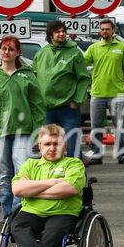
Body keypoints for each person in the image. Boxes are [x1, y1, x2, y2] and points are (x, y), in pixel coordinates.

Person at [0, 35, 45, 220]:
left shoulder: (28, 75)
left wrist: (38, 130)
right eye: (3, 49)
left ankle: (20, 214)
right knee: (3, 176)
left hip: (23, 131)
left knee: (21, 172)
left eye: (10, 49)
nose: (6, 52)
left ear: (18, 52)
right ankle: (8, 215)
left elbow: (37, 106)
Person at [11, 124, 86, 247]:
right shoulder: (30, 164)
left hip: (62, 212)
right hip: (32, 211)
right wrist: (53, 182)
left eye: (56, 144)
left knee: (53, 232)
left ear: (64, 145)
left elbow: (69, 188)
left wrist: (33, 190)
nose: (52, 148)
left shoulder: (74, 164)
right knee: (17, 226)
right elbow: (17, 189)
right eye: (47, 144)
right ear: (40, 146)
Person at [32, 21, 90, 158]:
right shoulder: (41, 54)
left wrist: (76, 100)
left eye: (63, 31)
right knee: (48, 144)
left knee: (72, 143)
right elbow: (34, 78)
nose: (62, 34)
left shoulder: (74, 53)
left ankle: (78, 177)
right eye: (58, 31)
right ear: (50, 34)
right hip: (47, 109)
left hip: (68, 108)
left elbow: (84, 78)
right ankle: (52, 176)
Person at [84, 18, 124, 165]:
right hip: (97, 93)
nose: (105, 31)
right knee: (96, 127)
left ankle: (123, 155)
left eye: (107, 29)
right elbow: (81, 64)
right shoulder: (93, 48)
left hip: (117, 94)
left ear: (113, 31)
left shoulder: (122, 48)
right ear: (100, 31)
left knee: (120, 126)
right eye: (102, 29)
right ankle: (97, 155)